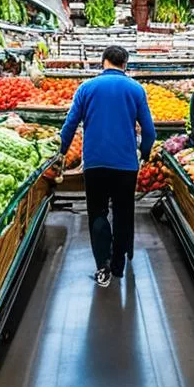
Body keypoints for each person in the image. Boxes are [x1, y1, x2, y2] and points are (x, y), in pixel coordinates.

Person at [60, 45, 156, 287]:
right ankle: (118, 265)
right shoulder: (136, 89)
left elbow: (70, 125)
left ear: (102, 62)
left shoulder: (86, 88)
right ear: (125, 64)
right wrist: (144, 154)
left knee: (98, 212)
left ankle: (102, 267)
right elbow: (149, 131)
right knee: (123, 213)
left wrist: (61, 153)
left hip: (94, 162)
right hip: (126, 164)